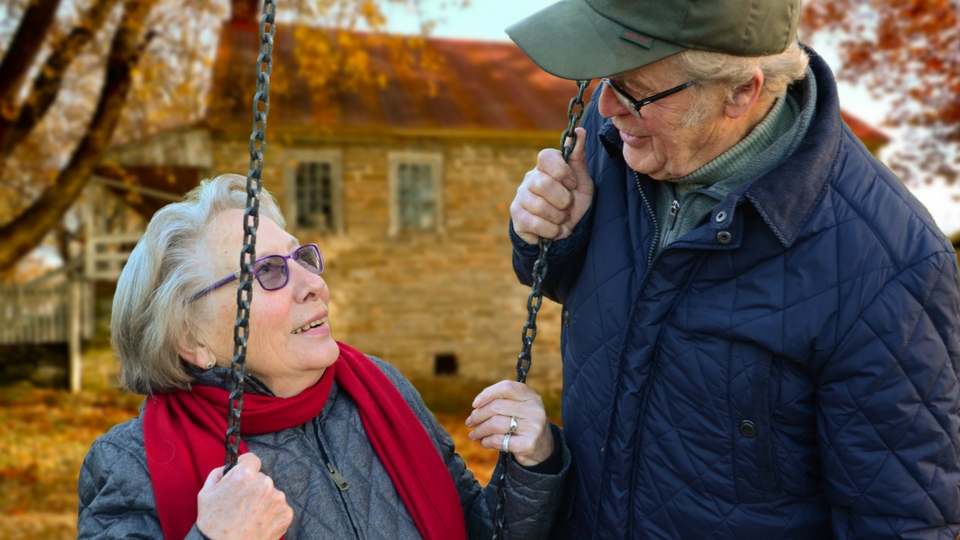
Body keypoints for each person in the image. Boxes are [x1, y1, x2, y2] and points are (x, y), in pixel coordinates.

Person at [505, 0, 960, 538]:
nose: (606, 107)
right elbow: (580, 288)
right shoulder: (619, 141)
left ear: (742, 91)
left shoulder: (888, 264)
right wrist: (551, 236)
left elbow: (900, 520)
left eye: (632, 89)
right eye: (603, 78)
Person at [77, 173, 569, 539]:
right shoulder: (129, 463)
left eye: (302, 258)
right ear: (193, 341)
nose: (314, 284)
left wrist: (531, 464)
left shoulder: (380, 389)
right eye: (268, 272)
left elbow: (478, 531)